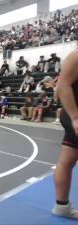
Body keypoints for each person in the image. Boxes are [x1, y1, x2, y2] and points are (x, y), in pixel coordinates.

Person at [52, 51, 78, 219]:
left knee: (67, 159)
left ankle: (62, 207)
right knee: (66, 160)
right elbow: (62, 85)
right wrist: (75, 117)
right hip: (75, 114)